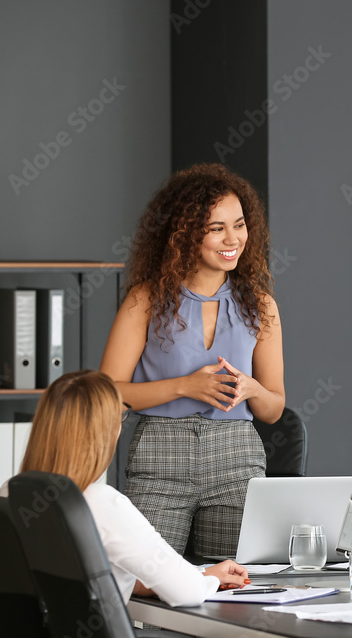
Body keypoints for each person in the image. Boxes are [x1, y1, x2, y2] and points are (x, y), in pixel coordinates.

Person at [101, 163, 285, 557]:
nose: (232, 238)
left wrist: (253, 389)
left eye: (239, 224)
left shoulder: (261, 306)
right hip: (158, 457)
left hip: (237, 460)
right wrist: (185, 386)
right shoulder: (145, 300)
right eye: (216, 228)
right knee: (145, 586)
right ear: (182, 235)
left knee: (235, 592)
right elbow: (107, 393)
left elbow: (274, 408)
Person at [16, 370, 249, 604]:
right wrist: (209, 582)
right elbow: (190, 593)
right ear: (105, 431)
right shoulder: (102, 503)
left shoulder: (15, 491)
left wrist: (201, 576)